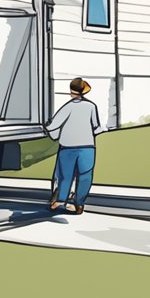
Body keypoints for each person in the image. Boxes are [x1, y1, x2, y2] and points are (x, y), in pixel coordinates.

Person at [45, 77, 102, 213]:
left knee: (65, 175)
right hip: (88, 147)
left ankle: (60, 201)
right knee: (85, 175)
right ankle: (79, 204)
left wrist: (45, 125)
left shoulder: (68, 107)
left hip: (68, 147)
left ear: (71, 92)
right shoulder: (91, 106)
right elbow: (96, 127)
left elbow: (53, 125)